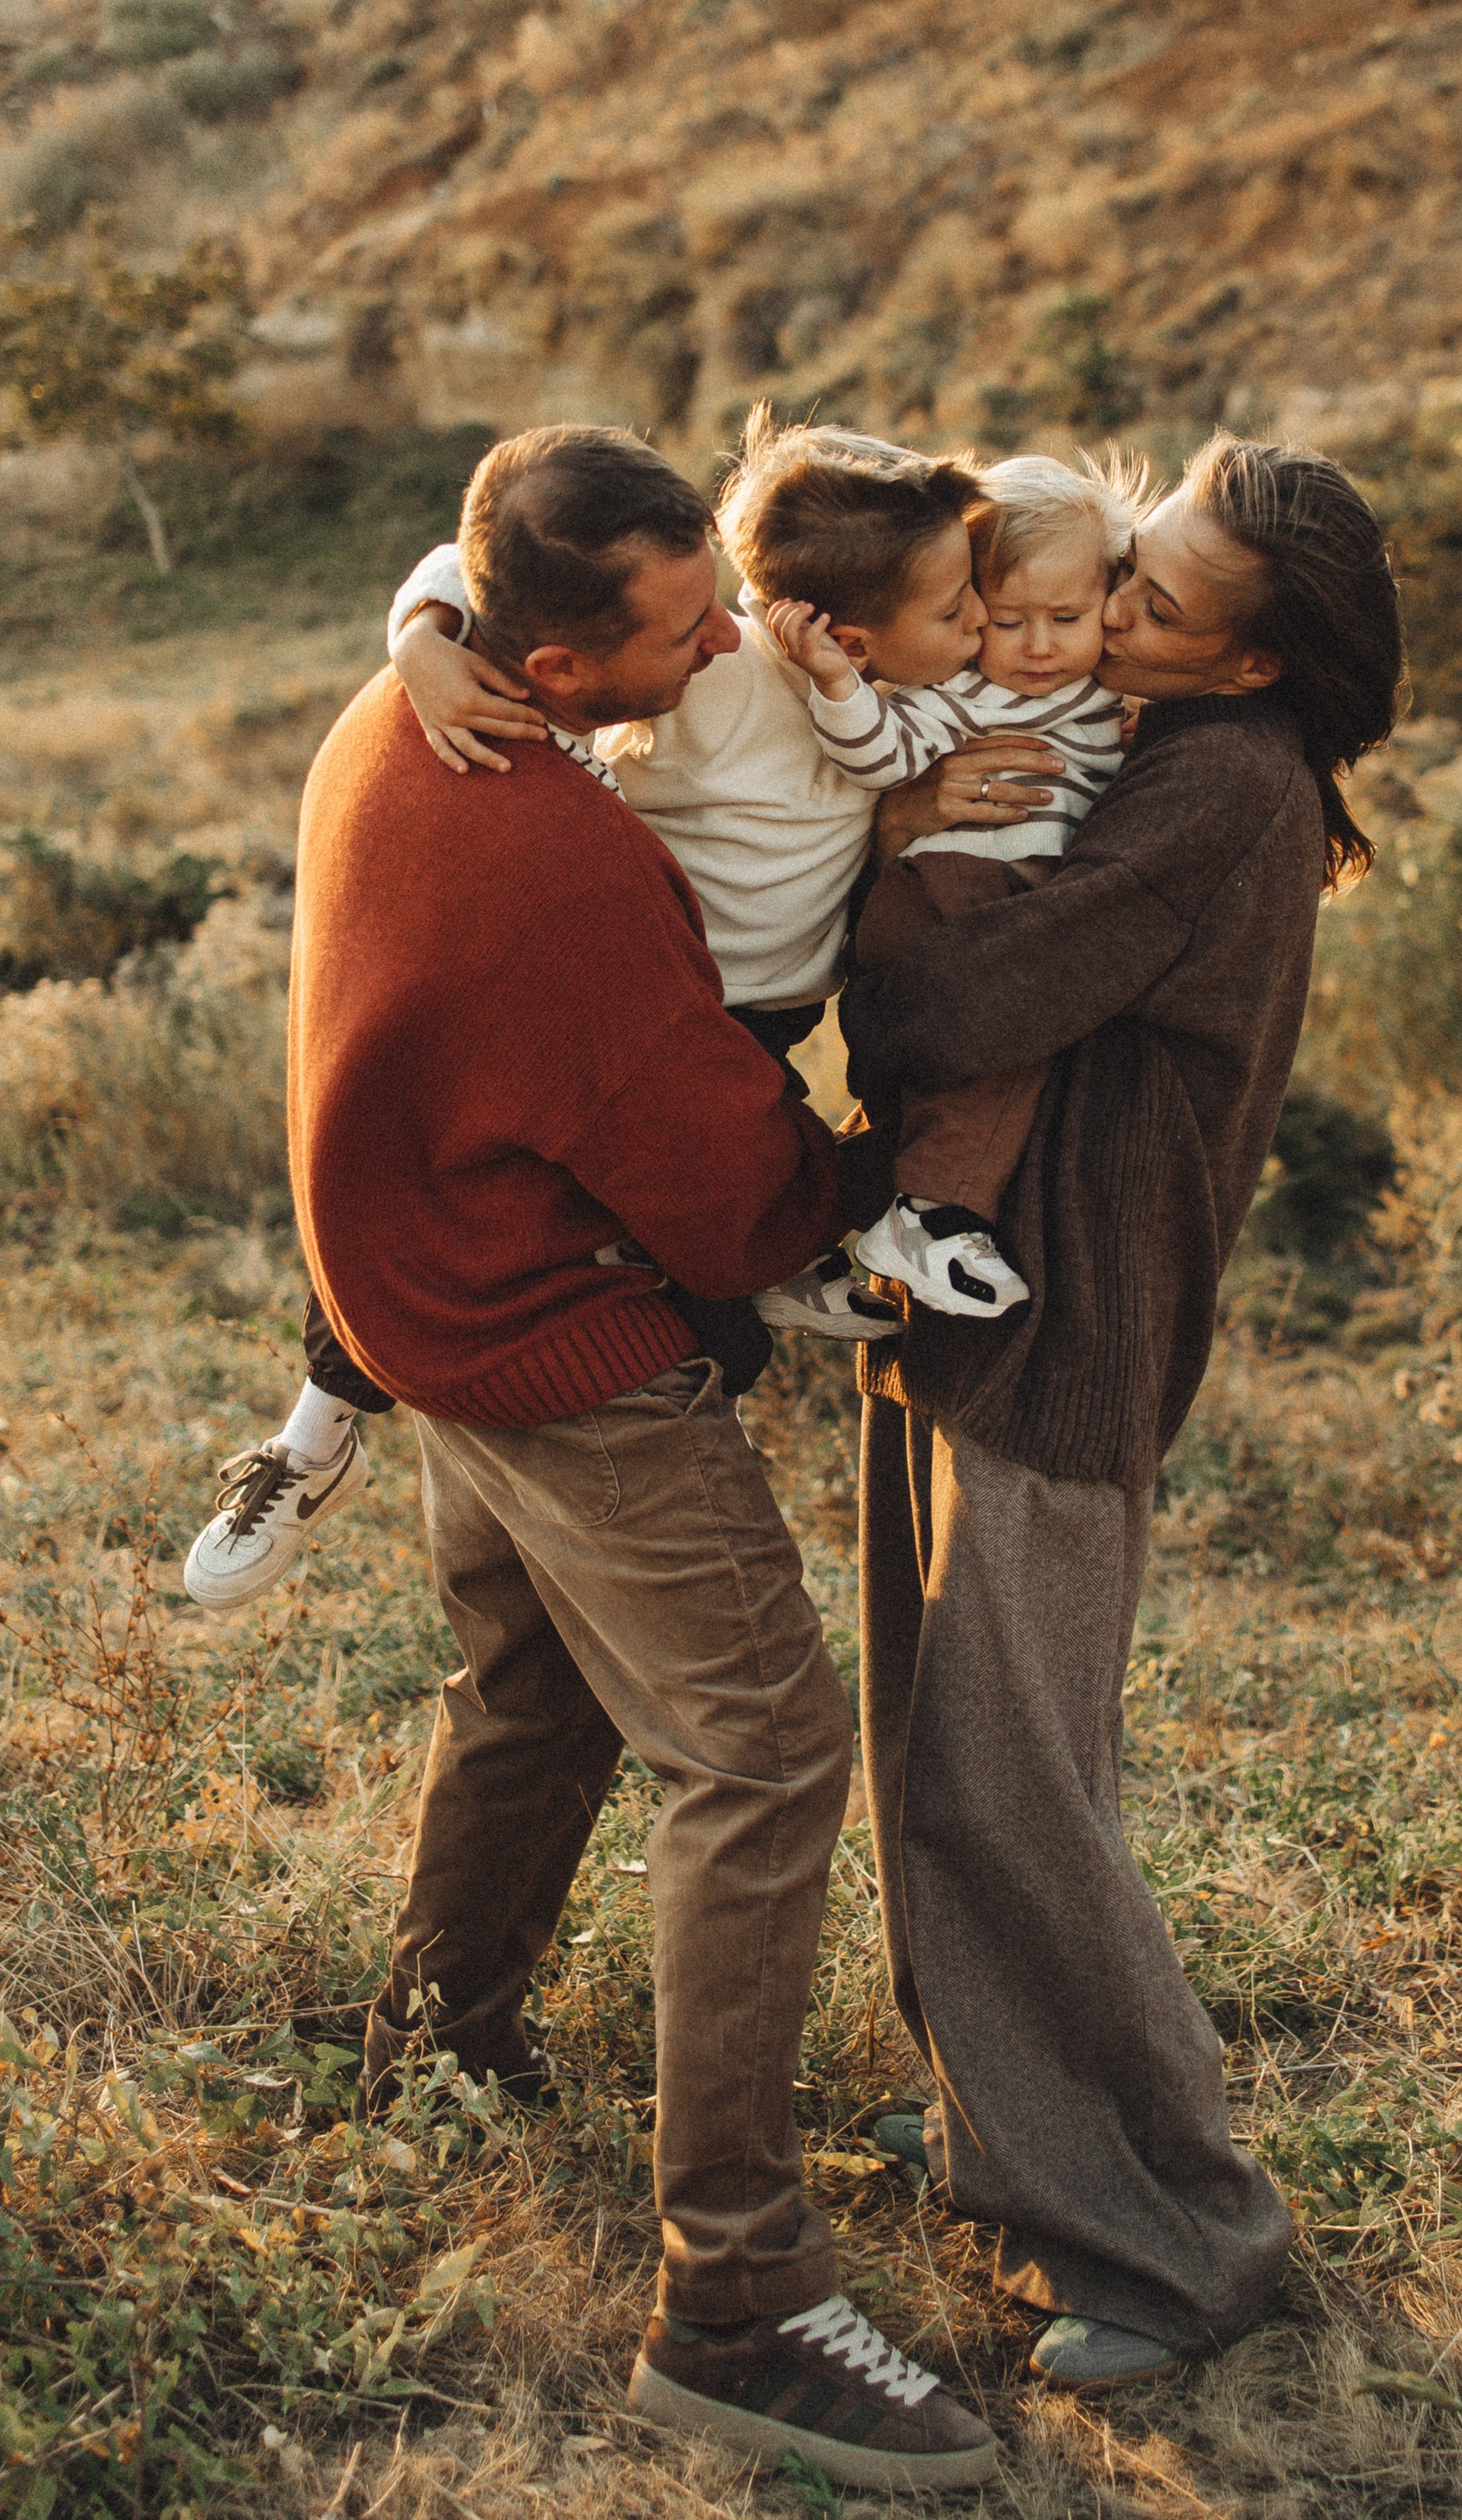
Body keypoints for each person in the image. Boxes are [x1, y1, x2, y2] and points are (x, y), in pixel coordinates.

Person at [283, 422, 994, 2491]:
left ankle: (440, 2037)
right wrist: (868, 1194)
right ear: (565, 659)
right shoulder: (570, 862)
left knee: (530, 1683)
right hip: (546, 1334)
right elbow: (716, 1175)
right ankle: (737, 2297)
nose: (722, 654)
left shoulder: (393, 710)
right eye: (682, 635)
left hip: (418, 1280)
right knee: (763, 1745)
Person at [840, 434, 1405, 2398]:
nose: (1098, 614)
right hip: (970, 1294)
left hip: (1060, 1320)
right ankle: (1008, 2132)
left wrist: (885, 921)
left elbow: (937, 1016)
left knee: (1008, 1779)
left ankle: (1177, 2241)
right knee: (931, 1740)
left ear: (1243, 664)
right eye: (1127, 566)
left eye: (1151, 603)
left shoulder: (1218, 787)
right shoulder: (1131, 731)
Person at [183, 407, 1059, 1615]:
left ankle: (767, 1281)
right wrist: (422, 643)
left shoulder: (934, 709)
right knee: (479, 1175)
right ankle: (318, 1426)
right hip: (653, 991)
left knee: (697, 1223)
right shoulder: (730, 672)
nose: (983, 634)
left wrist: (919, 817)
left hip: (768, 1014)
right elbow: (474, 562)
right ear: (849, 629)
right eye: (960, 614)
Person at [767, 451, 1142, 1317]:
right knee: (1011, 1029)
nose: (1038, 646)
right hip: (952, 883)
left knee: (961, 1071)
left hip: (1007, 889)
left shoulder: (1104, 690)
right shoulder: (964, 691)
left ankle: (838, 1207)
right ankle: (931, 1213)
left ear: (1106, 602)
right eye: (1006, 619)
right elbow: (881, 753)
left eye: (1066, 616)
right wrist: (835, 683)